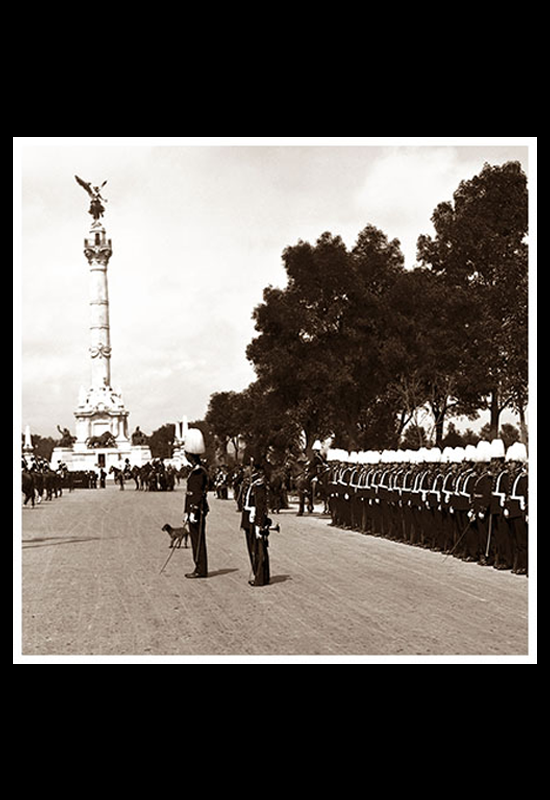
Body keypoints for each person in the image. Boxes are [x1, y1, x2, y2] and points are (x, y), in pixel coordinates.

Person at [183, 428, 209, 578]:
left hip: (197, 510)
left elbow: (197, 494)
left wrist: (192, 511)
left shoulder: (198, 472)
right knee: (196, 538)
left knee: (197, 540)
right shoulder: (197, 470)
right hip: (195, 510)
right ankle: (200, 566)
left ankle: (200, 568)